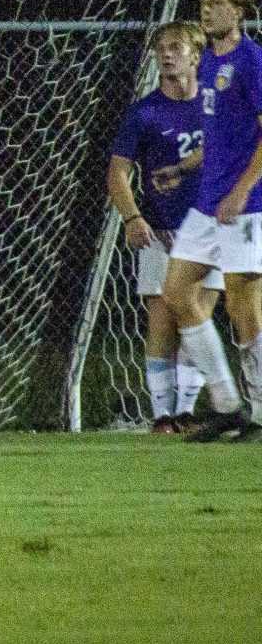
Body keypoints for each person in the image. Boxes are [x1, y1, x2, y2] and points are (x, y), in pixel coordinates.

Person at [164, 0, 262, 442]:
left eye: (217, 2)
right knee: (177, 292)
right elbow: (219, 138)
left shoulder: (252, 61)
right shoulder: (206, 66)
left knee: (245, 310)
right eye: (203, 2)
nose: (207, 10)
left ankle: (260, 414)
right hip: (207, 206)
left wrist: (243, 190)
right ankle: (228, 405)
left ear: (239, 10)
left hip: (247, 207)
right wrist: (182, 169)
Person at [106, 21, 213, 431]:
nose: (166, 55)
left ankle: (187, 410)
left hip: (210, 228)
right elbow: (117, 173)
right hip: (162, 231)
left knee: (199, 317)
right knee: (162, 319)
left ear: (195, 56)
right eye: (161, 49)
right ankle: (162, 415)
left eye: (175, 48)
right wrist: (132, 217)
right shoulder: (144, 112)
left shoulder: (214, 105)